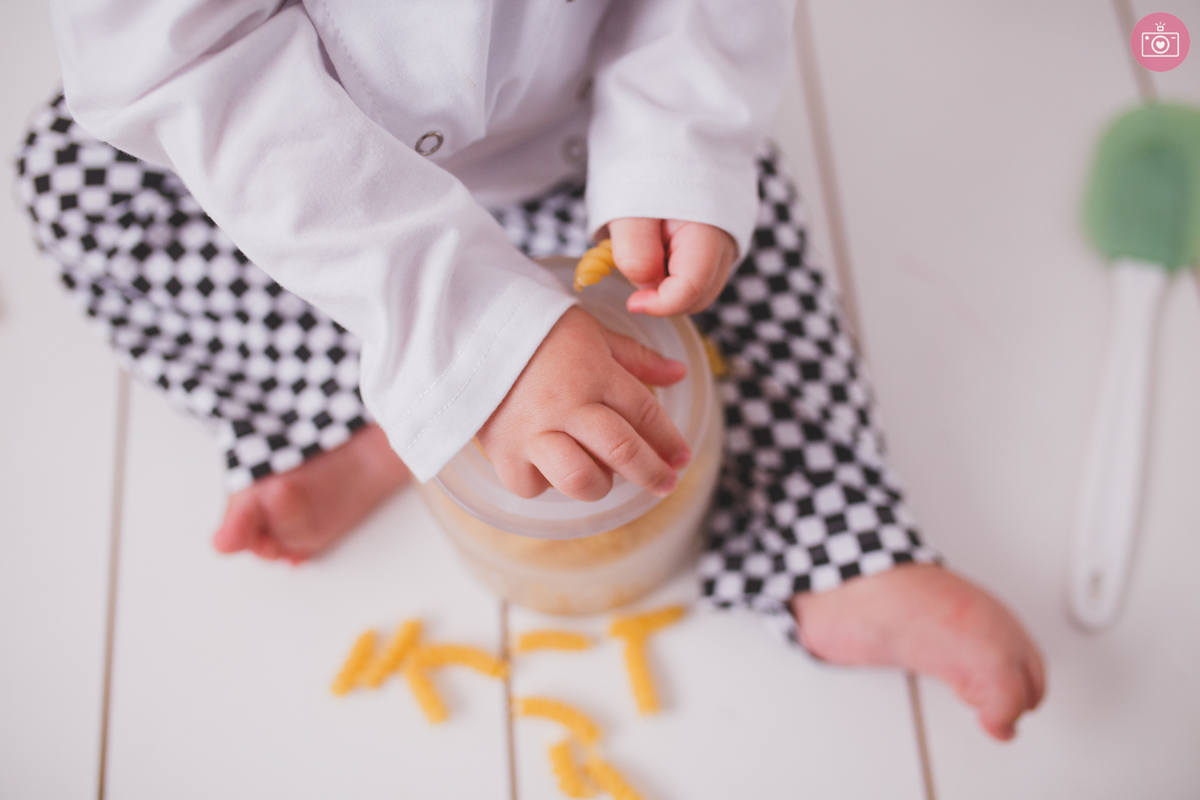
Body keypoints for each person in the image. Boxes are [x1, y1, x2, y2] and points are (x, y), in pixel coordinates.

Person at [20, 0, 1043, 740]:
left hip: (575, 146)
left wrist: (671, 149)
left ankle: (838, 548)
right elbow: (189, 66)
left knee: (712, 255)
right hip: (305, 196)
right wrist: (471, 333)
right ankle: (374, 421)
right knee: (70, 180)